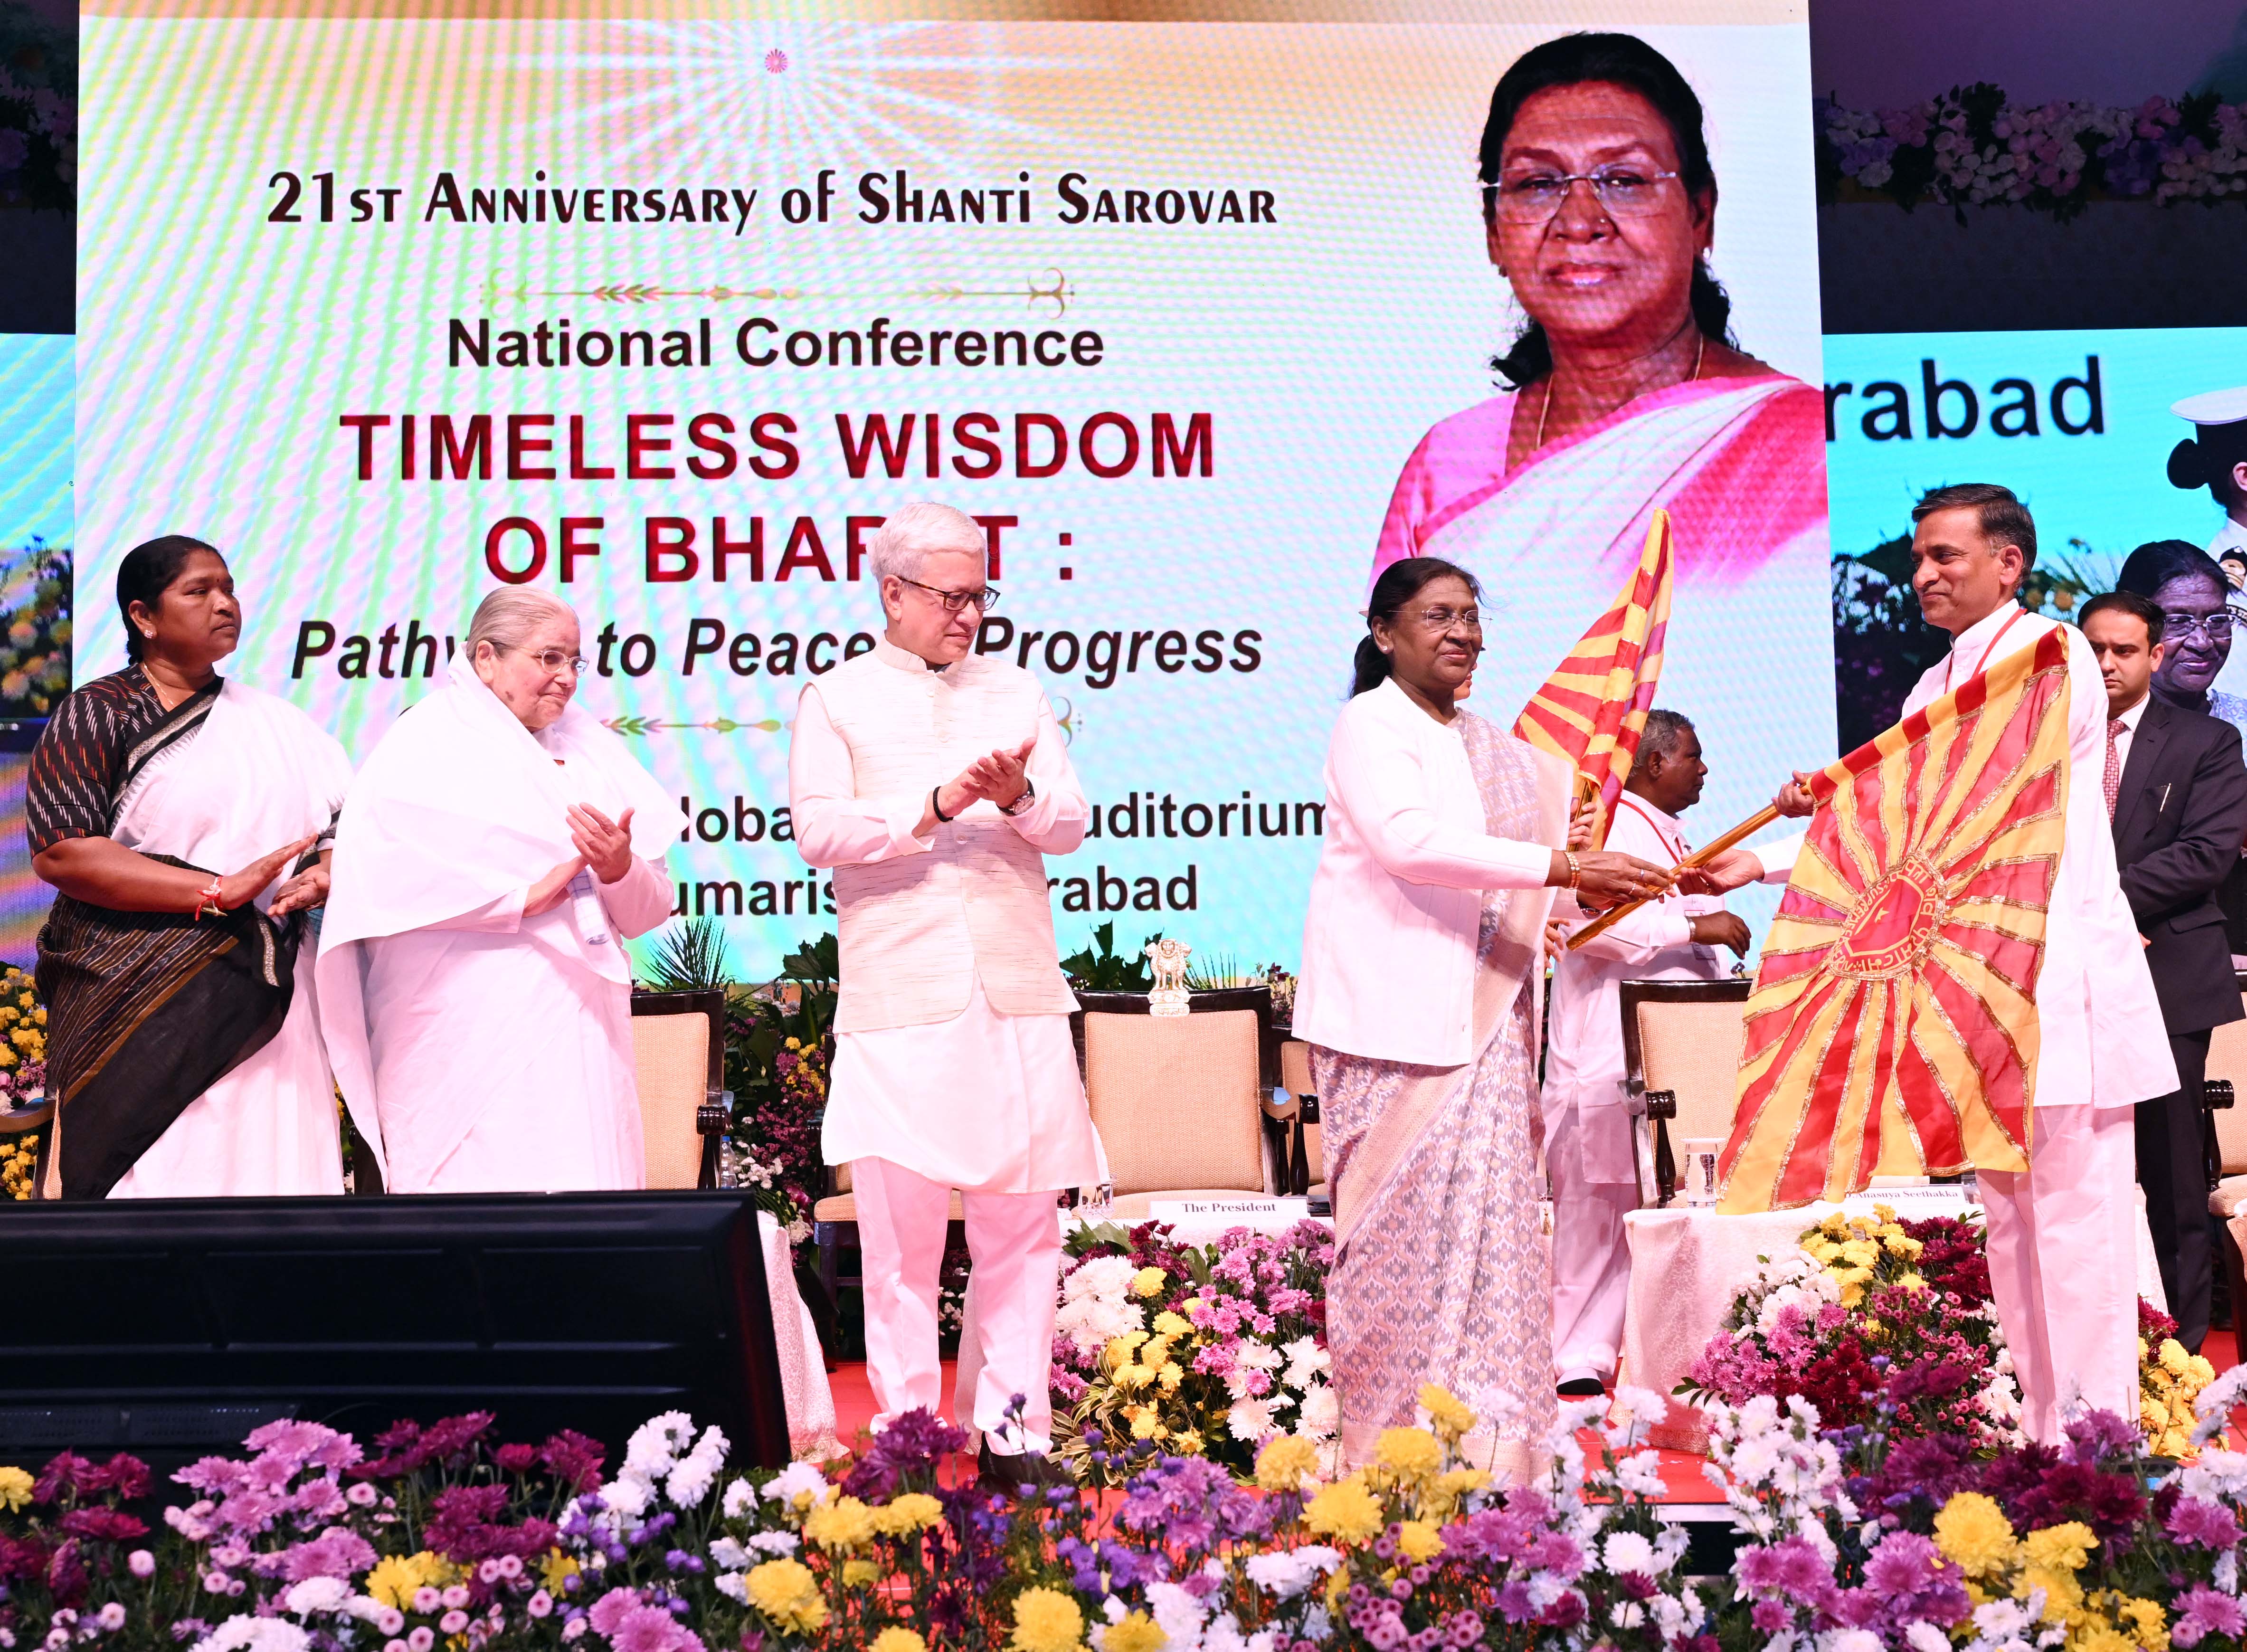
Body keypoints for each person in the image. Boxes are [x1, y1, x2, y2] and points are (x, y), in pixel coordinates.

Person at [1697, 484, 2176, 1443]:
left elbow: (1985, 796)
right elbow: (1890, 839)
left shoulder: (2053, 654)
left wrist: (1841, 785)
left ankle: (2102, 1449)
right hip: (1973, 997)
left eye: (1945, 557)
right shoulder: (1928, 686)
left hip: (2057, 981)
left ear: (2007, 563)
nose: (1921, 575)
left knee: (2079, 1233)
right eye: (1917, 558)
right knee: (2010, 1232)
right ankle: (2044, 1438)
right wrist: (1770, 853)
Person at [1293, 555, 1675, 1474]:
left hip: (1485, 1021)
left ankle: (1496, 1451)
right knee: (1396, 1243)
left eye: (1471, 615)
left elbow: (1534, 862)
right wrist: (1562, 867)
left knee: (1495, 1232)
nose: (1463, 632)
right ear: (1384, 631)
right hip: (1389, 1025)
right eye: (1438, 616)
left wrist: (1580, 858)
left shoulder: (1491, 746)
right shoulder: (1369, 722)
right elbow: (1410, 844)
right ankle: (1388, 1453)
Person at [1374, 30, 1827, 749]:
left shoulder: (1805, 442)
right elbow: (1390, 715)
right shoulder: (1449, 459)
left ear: (1701, 213)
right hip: (1500, 850)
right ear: (1493, 231)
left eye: (1623, 179)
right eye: (1535, 184)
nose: (1579, 221)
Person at [787, 501, 1102, 1490]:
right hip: (900, 996)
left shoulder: (1015, 690)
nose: (969, 614)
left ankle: (1014, 1434)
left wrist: (1016, 797)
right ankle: (910, 1439)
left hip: (1014, 990)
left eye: (980, 595)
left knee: (1021, 1229)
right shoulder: (836, 697)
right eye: (952, 595)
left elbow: (1070, 822)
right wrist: (932, 806)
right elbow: (817, 832)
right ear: (894, 593)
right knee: (900, 1245)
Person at [316, 589, 678, 1194]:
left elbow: (648, 911)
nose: (567, 679)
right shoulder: (422, 745)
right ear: (486, 659)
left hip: (577, 1024)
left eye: (575, 663)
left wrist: (618, 868)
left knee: (580, 1210)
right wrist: (523, 897)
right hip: (455, 1022)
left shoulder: (593, 754)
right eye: (549, 659)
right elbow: (383, 880)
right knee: (472, 1218)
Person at [27, 535, 351, 1199]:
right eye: (198, 590)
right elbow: (63, 849)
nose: (224, 604)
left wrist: (326, 873)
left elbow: (343, 827)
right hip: (135, 1002)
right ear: (144, 616)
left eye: (228, 588)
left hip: (266, 1001)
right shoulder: (99, 711)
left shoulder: (282, 725)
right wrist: (216, 892)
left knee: (272, 1179)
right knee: (155, 1190)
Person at [1543, 709, 1745, 1397]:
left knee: (1667, 1213)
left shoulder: (1667, 832)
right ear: (1654, 762)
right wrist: (1694, 922)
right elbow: (1582, 922)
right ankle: (1576, 1359)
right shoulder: (1607, 826)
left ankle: (1656, 1360)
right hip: (1604, 1061)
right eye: (1693, 754)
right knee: (1596, 1219)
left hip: (1678, 1064)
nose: (1703, 768)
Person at [2082, 589, 2247, 1354]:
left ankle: (2176, 1353)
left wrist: (2098, 907)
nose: (2106, 663)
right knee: (2076, 1172)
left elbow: (2206, 854)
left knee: (2175, 1171)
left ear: (2155, 655)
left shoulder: (2207, 741)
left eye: (2121, 650)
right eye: (2093, 650)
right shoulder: (2049, 744)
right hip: (2067, 982)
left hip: (2167, 976)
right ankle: (2092, 1335)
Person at [2115, 539, 2247, 736]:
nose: (2203, 642)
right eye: (2178, 622)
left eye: (2217, 620)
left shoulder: (2242, 723)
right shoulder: (2091, 728)